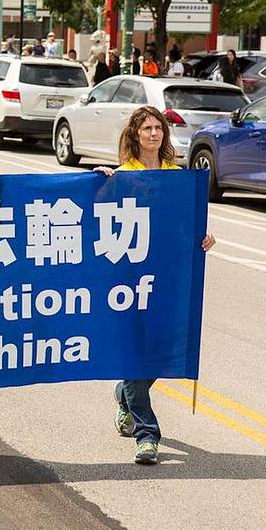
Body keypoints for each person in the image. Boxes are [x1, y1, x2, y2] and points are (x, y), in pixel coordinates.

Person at [94, 106, 216, 465]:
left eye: (158, 128)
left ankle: (124, 395)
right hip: (128, 282)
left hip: (166, 281)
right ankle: (147, 435)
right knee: (134, 355)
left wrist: (203, 237)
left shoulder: (177, 177)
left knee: (162, 352)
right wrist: (100, 184)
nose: (153, 133)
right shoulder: (122, 175)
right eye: (146, 128)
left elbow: (185, 223)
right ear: (135, 135)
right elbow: (97, 216)